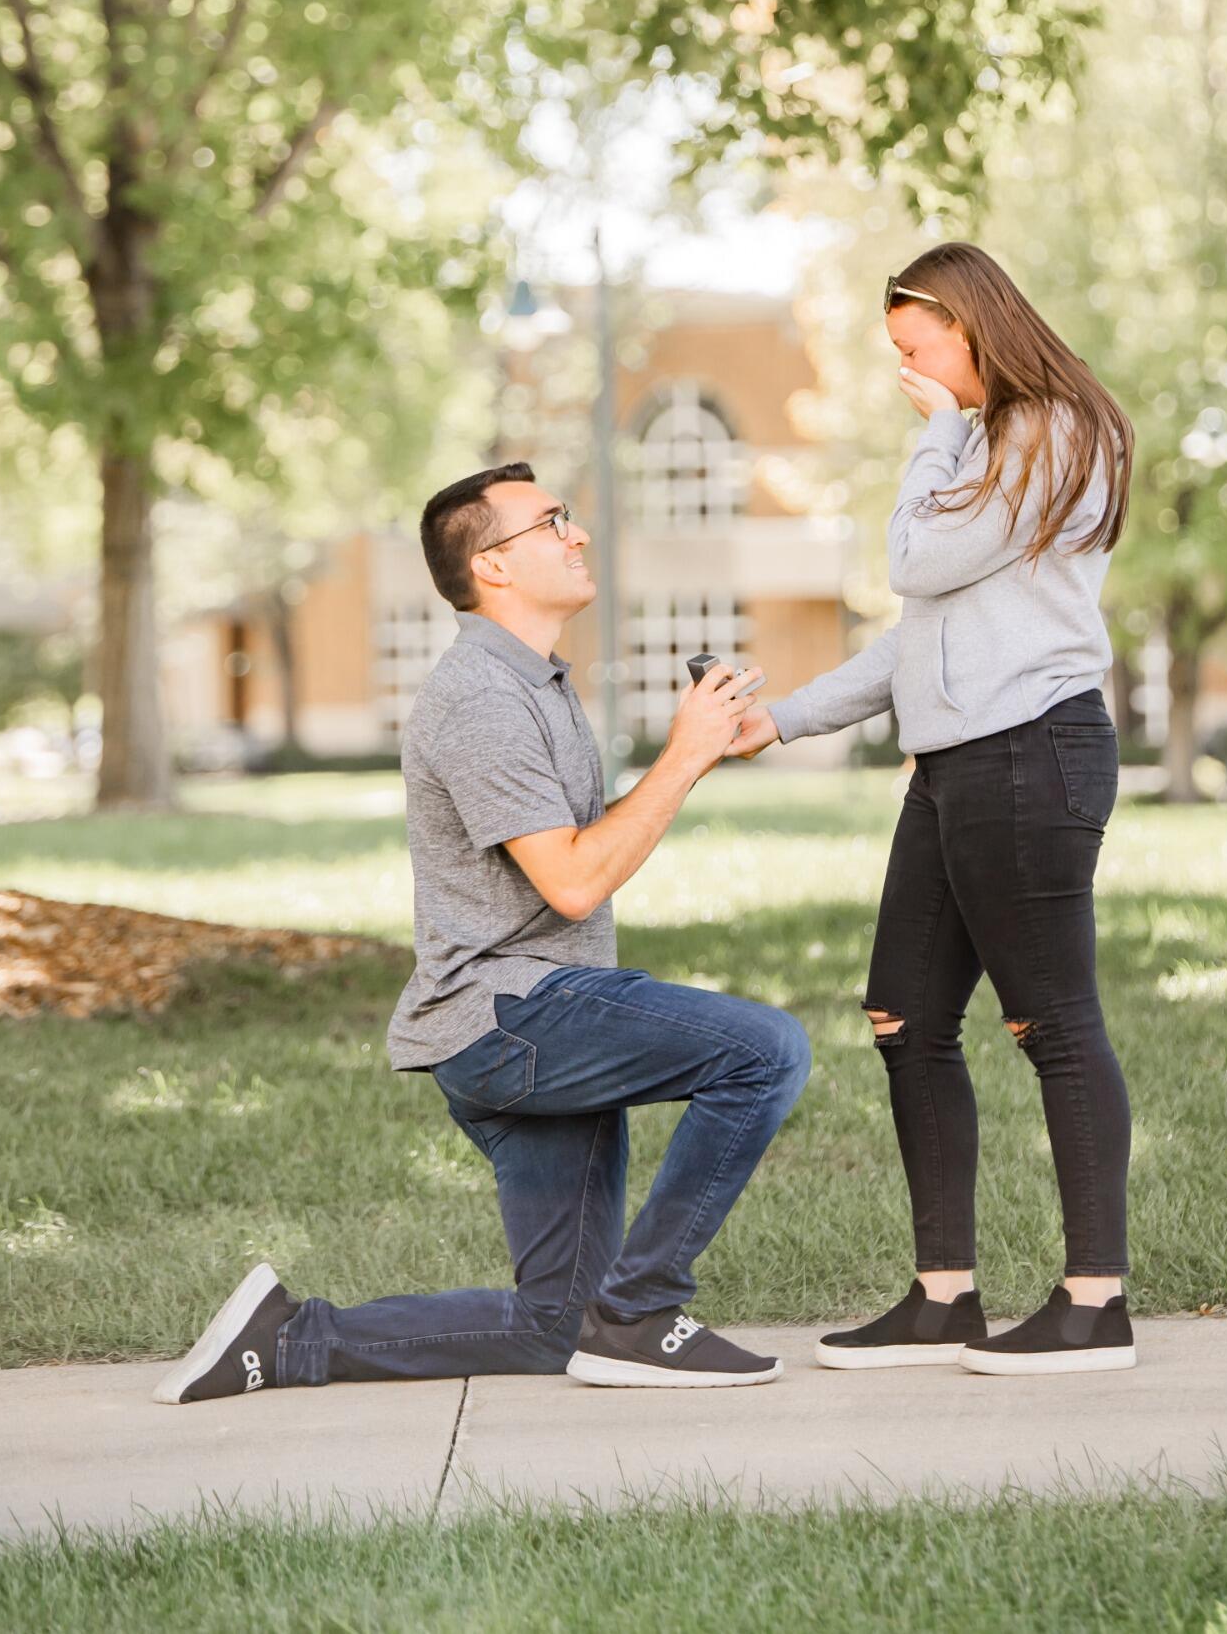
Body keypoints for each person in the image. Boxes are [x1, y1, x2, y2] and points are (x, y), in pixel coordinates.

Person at [156, 461, 809, 1406]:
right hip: (514, 1021)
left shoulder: (535, 684)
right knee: (765, 1050)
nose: (578, 535)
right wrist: (686, 754)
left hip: (527, 1016)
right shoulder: (480, 698)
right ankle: (645, 1311)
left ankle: (291, 1339)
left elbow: (578, 857)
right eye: (553, 523)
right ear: (493, 566)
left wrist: (696, 755)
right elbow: (575, 881)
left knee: (555, 1329)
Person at [731, 244, 1138, 1376]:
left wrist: (939, 431)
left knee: (1052, 1020)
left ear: (972, 326)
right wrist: (788, 718)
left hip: (1028, 754)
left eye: (917, 350)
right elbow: (925, 633)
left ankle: (1094, 1304)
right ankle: (942, 1296)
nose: (907, 371)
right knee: (903, 1013)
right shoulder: (994, 440)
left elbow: (911, 560)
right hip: (955, 764)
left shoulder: (1044, 429)